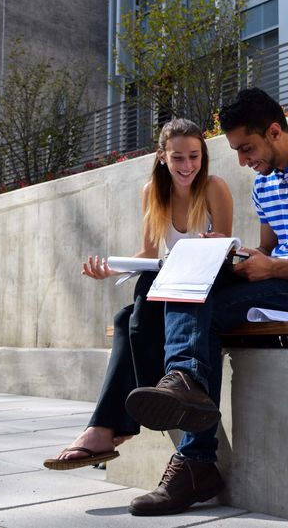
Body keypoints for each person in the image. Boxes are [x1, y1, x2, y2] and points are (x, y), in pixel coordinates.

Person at [123, 87, 288, 516]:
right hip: (278, 280)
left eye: (246, 148)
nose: (242, 161)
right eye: (236, 151)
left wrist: (271, 268)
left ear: (275, 131)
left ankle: (193, 449)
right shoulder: (265, 183)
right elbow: (270, 252)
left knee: (206, 310)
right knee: (188, 279)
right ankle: (187, 396)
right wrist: (237, 260)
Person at [43, 118, 233, 471]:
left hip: (206, 283)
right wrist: (113, 269)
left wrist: (211, 243)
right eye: (178, 158)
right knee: (124, 316)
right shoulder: (152, 191)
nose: (187, 166)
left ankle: (110, 426)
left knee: (139, 306)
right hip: (170, 283)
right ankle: (123, 418)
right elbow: (148, 255)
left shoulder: (214, 187)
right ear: (162, 156)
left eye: (194, 156)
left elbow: (223, 251)